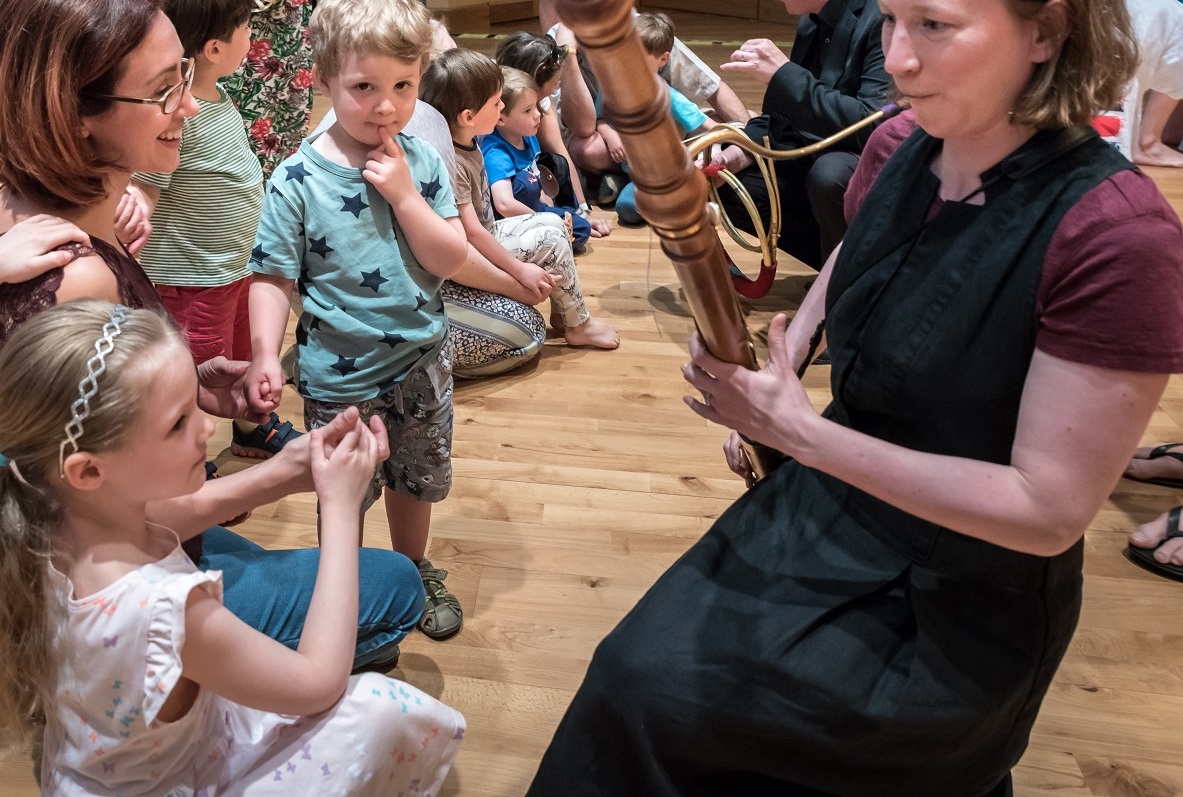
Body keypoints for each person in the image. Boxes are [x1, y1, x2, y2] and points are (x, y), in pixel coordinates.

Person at [526, 0, 1183, 794]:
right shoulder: (904, 142)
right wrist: (788, 352)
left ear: (1045, 32)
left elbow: (1044, 511)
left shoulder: (1118, 236)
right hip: (828, 500)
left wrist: (799, 433)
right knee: (632, 674)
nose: (898, 59)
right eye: (890, 21)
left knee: (660, 701)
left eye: (932, 26)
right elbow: (857, 252)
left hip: (959, 595)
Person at [0, 0, 421, 673]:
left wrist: (184, 387)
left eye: (186, 75)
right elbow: (100, 518)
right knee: (397, 589)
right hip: (126, 572)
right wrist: (283, 475)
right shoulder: (76, 277)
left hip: (154, 539)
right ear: (75, 117)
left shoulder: (75, 215)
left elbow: (92, 427)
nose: (190, 107)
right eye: (163, 90)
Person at [0, 300, 465, 793]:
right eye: (178, 423)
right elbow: (316, 684)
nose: (205, 428)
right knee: (381, 708)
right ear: (89, 470)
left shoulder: (44, 518)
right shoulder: (170, 613)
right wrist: (342, 509)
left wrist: (284, 472)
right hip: (184, 774)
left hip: (101, 768)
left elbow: (160, 515)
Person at [248, 0, 469, 640]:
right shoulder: (296, 178)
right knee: (341, 495)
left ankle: (411, 569)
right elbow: (271, 274)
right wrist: (266, 352)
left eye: (403, 86)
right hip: (337, 376)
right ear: (323, 79)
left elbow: (449, 256)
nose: (385, 106)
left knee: (416, 480)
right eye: (363, 87)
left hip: (422, 359)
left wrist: (403, 195)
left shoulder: (422, 163)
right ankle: (342, 589)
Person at [132, 0, 301, 461]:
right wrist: (135, 218)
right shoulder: (178, 114)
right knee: (192, 369)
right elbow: (145, 186)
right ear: (213, 48)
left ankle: (253, 428)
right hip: (192, 277)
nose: (252, 36)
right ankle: (188, 462)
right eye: (246, 28)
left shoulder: (218, 95)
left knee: (242, 357)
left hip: (236, 265)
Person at [421, 48, 619, 364]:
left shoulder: (470, 140)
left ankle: (565, 313)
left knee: (557, 225)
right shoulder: (453, 162)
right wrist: (519, 271)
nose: (501, 110)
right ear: (469, 116)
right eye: (497, 103)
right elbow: (471, 232)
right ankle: (578, 324)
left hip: (488, 234)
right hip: (478, 247)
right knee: (553, 238)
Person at [712, 0, 888, 269]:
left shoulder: (882, 17)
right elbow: (787, 119)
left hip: (875, 165)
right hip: (817, 160)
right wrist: (734, 156)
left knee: (830, 174)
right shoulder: (810, 19)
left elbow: (874, 126)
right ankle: (829, 266)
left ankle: (851, 283)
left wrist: (786, 75)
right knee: (730, 184)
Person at [538, 0, 751, 125]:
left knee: (742, 120)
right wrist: (569, 55)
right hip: (604, 141)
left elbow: (711, 87)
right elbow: (583, 128)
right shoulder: (557, 43)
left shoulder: (643, 30)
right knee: (589, 150)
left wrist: (748, 142)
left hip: (653, 135)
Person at [494, 31, 610, 233]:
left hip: (529, 177)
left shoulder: (535, 102)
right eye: (555, 81)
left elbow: (559, 155)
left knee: (561, 171)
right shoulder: (494, 102)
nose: (559, 84)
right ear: (535, 79)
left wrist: (581, 212)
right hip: (505, 188)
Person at [613, 12, 717, 227]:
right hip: (629, 168)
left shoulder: (668, 97)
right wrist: (608, 134)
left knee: (627, 208)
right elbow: (601, 119)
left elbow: (711, 128)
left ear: (663, 59)